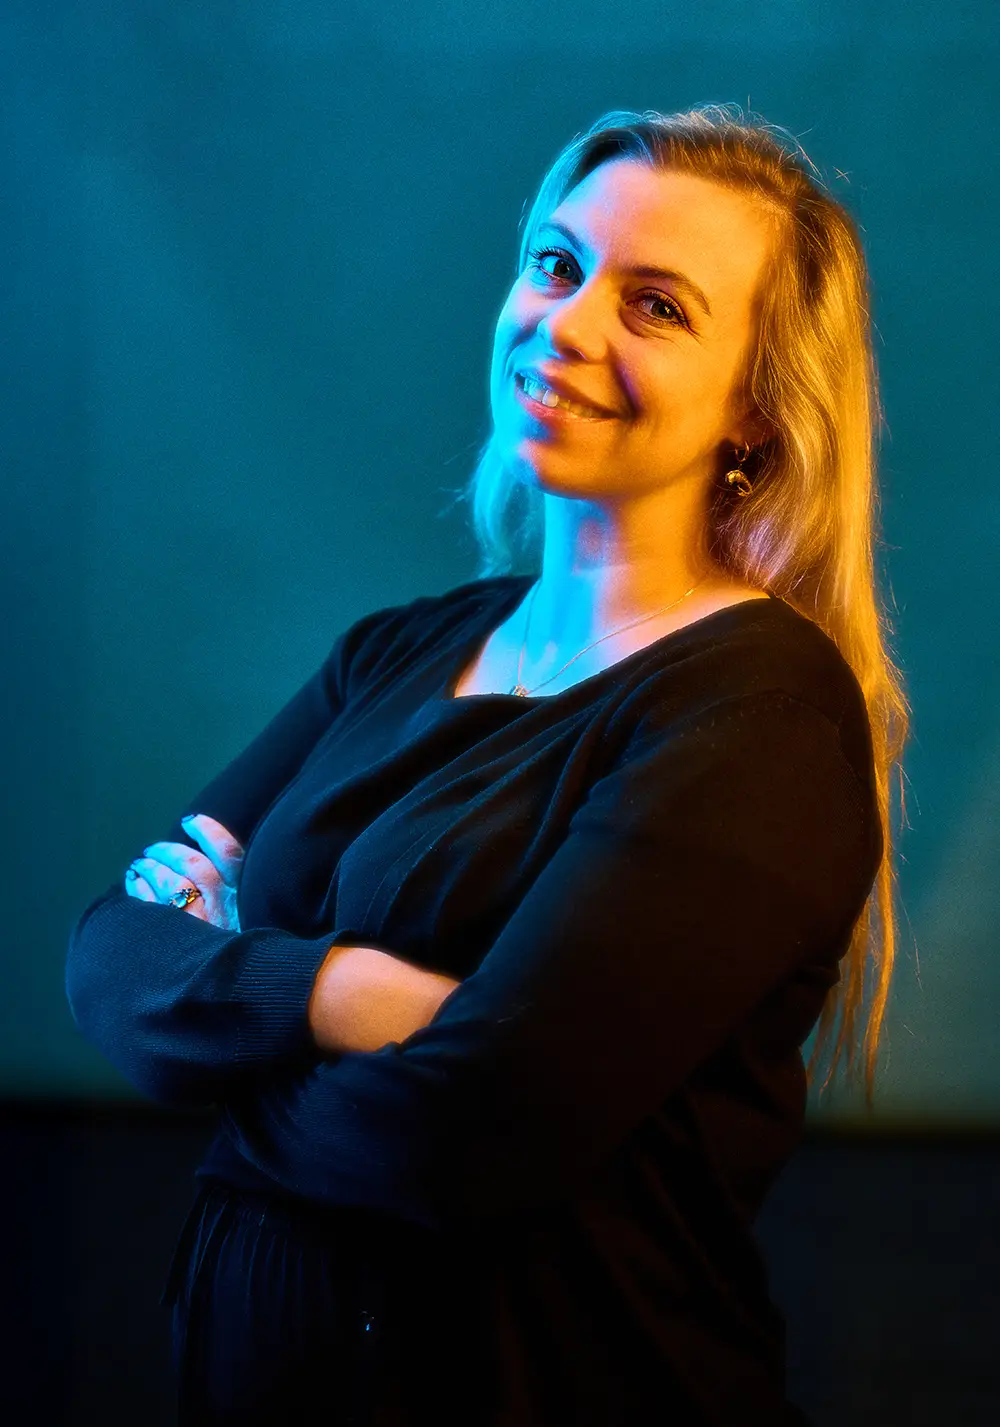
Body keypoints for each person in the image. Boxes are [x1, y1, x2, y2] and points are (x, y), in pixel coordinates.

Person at [65, 103, 910, 1427]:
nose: (567, 324)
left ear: (755, 405)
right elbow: (109, 953)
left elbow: (468, 1134)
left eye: (658, 306)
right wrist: (348, 993)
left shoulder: (761, 711)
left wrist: (227, 1042)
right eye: (557, 265)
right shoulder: (393, 655)